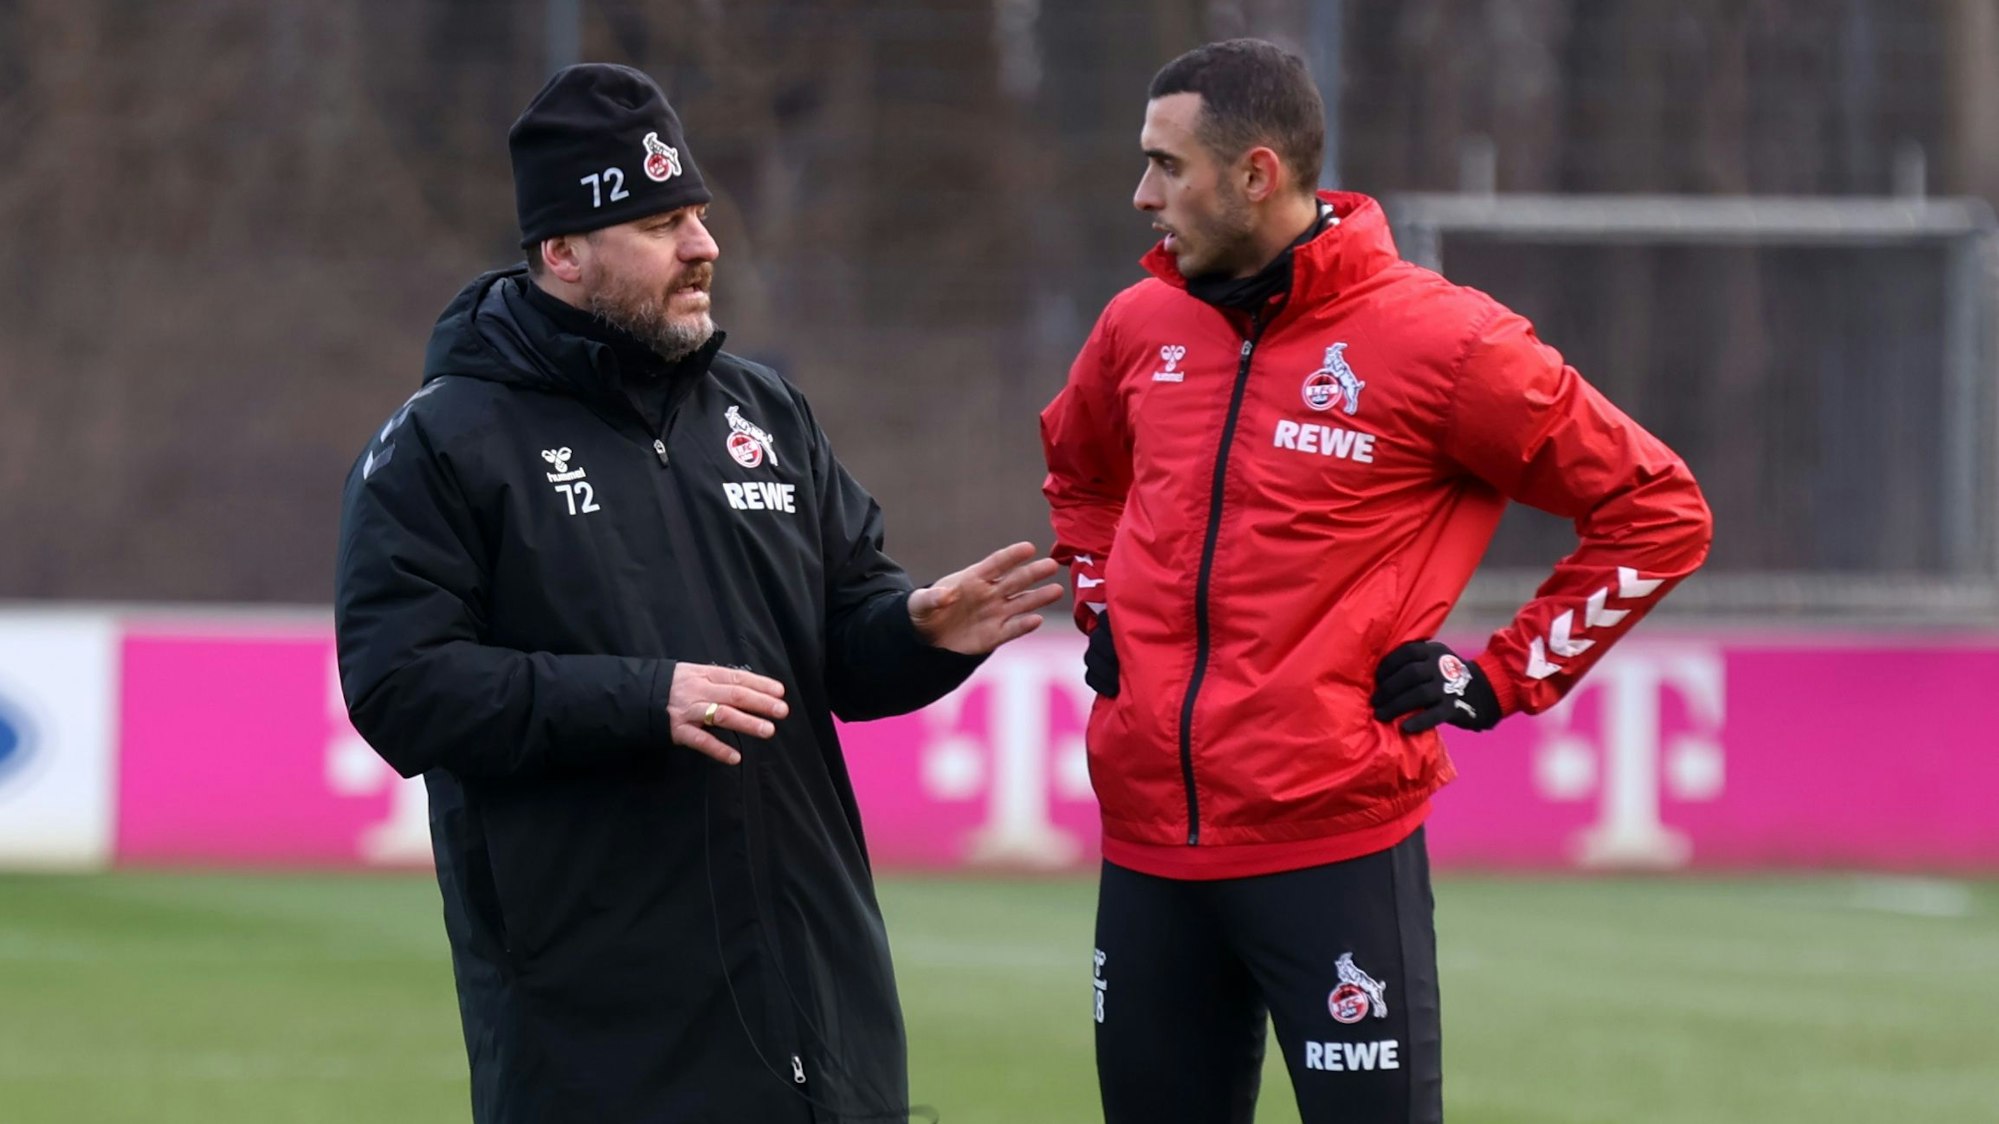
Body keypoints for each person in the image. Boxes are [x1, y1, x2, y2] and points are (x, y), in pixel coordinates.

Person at [335, 63, 1061, 1124]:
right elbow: (400, 684)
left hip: (821, 1014)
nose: (703, 246)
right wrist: (641, 698)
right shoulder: (444, 442)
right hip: (602, 1043)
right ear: (562, 251)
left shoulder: (764, 410)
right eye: (661, 222)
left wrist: (914, 630)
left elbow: (840, 642)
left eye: (699, 215)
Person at [1040, 39, 1713, 1123]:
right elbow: (1079, 475)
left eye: (1165, 165)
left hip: (1332, 845)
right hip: (1148, 847)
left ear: (1256, 174)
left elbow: (1657, 510)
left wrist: (1499, 676)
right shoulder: (1137, 326)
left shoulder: (1446, 342)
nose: (1141, 195)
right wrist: (1101, 597)